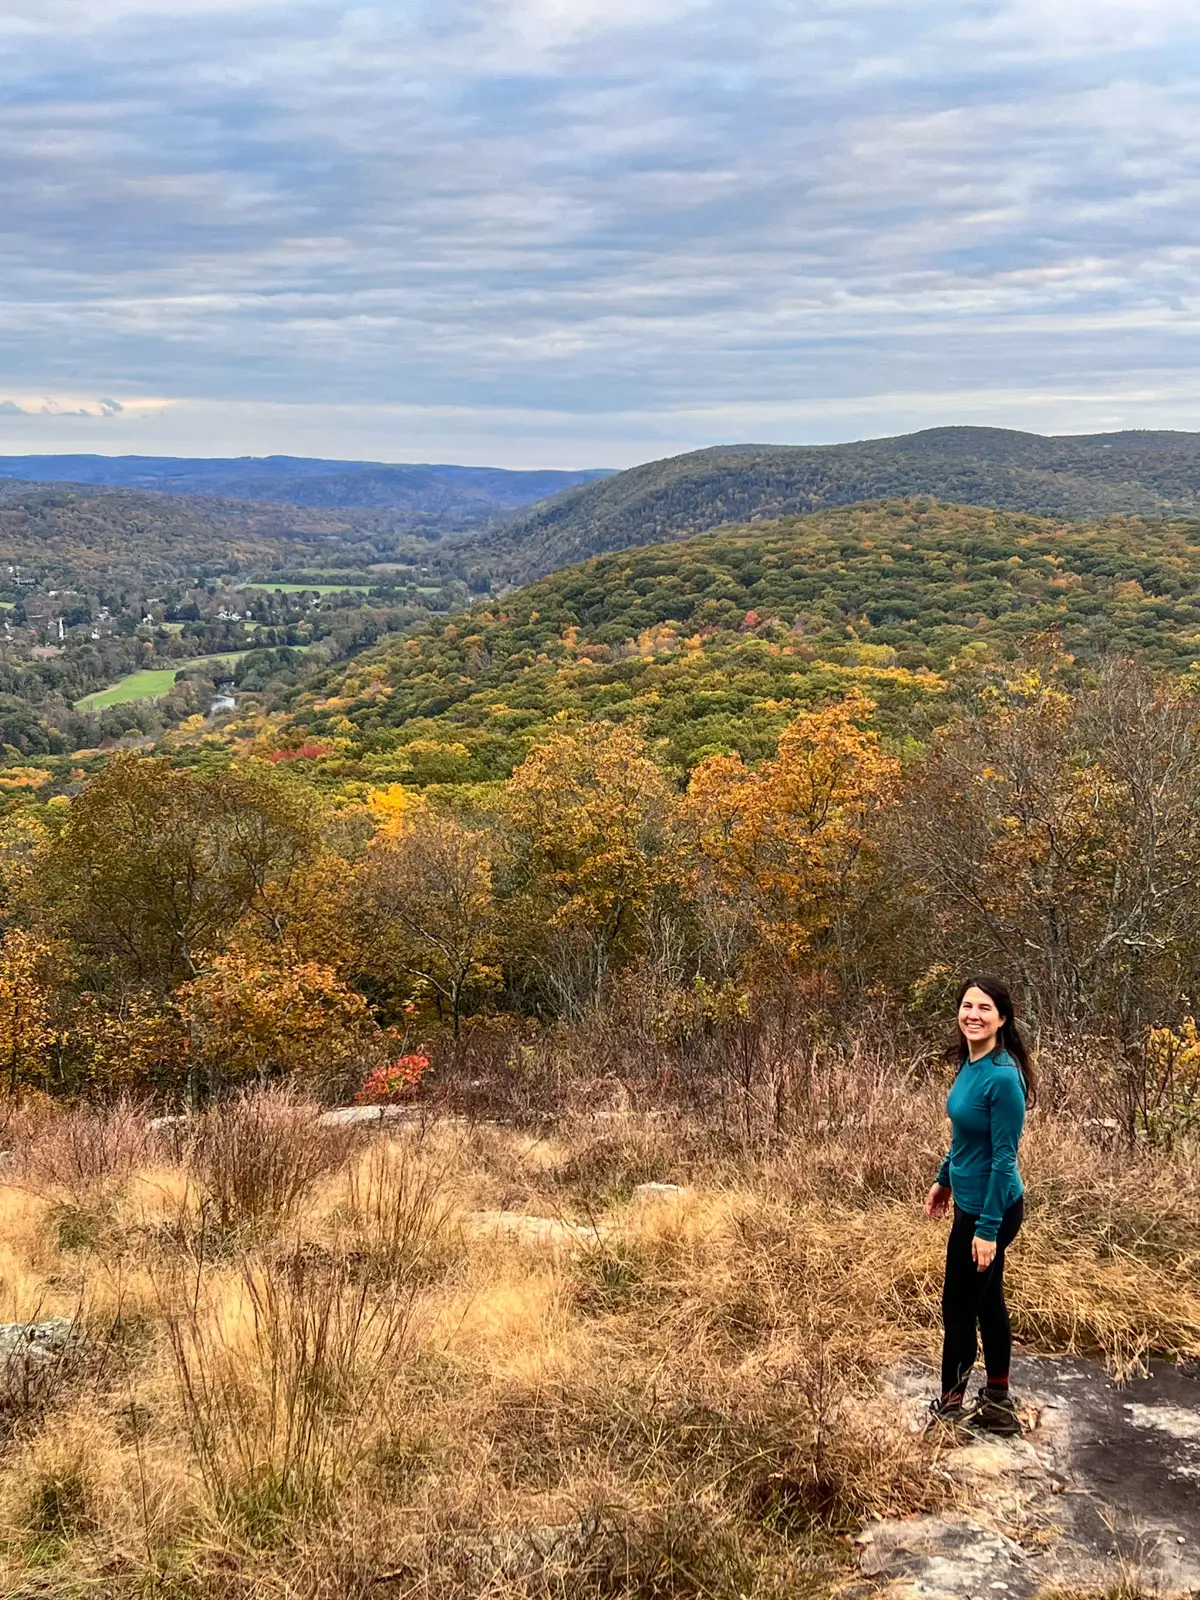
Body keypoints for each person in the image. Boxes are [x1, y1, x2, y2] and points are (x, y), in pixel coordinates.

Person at [924, 975, 1033, 1436]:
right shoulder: (970, 1064)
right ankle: (998, 1402)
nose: (973, 1014)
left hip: (994, 1210)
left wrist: (987, 1230)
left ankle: (951, 1409)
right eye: (967, 1005)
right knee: (987, 1304)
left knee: (958, 1307)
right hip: (970, 1202)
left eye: (984, 1008)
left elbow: (1004, 1160)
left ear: (1002, 1018)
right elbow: (966, 1138)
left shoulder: (1004, 1079)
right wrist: (944, 1179)